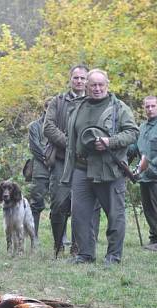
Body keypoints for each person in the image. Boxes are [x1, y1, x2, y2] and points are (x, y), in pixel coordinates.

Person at [61, 69, 138, 265]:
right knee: (80, 215)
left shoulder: (119, 108)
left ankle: (113, 256)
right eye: (93, 85)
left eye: (100, 84)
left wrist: (110, 141)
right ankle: (85, 254)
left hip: (109, 169)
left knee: (115, 214)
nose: (97, 88)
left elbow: (132, 133)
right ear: (86, 86)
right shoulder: (78, 107)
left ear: (107, 85)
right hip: (81, 167)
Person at [44, 65, 101, 255]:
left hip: (85, 163)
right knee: (59, 204)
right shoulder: (58, 102)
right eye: (76, 78)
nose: (79, 81)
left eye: (83, 78)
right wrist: (69, 143)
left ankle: (79, 246)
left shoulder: (94, 102)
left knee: (83, 206)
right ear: (70, 79)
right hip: (61, 160)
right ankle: (58, 244)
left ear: (87, 81)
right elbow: (48, 127)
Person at [127, 96, 157, 252]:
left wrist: (152, 165)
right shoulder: (142, 127)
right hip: (145, 176)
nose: (149, 109)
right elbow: (136, 148)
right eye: (147, 106)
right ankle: (155, 238)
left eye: (152, 106)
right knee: (148, 208)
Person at [27, 99, 52, 236]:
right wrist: (48, 158)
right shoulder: (34, 126)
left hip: (58, 167)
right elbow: (35, 147)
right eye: (49, 108)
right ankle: (33, 235)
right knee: (36, 202)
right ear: (45, 109)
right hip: (40, 167)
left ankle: (61, 236)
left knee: (60, 203)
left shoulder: (61, 125)